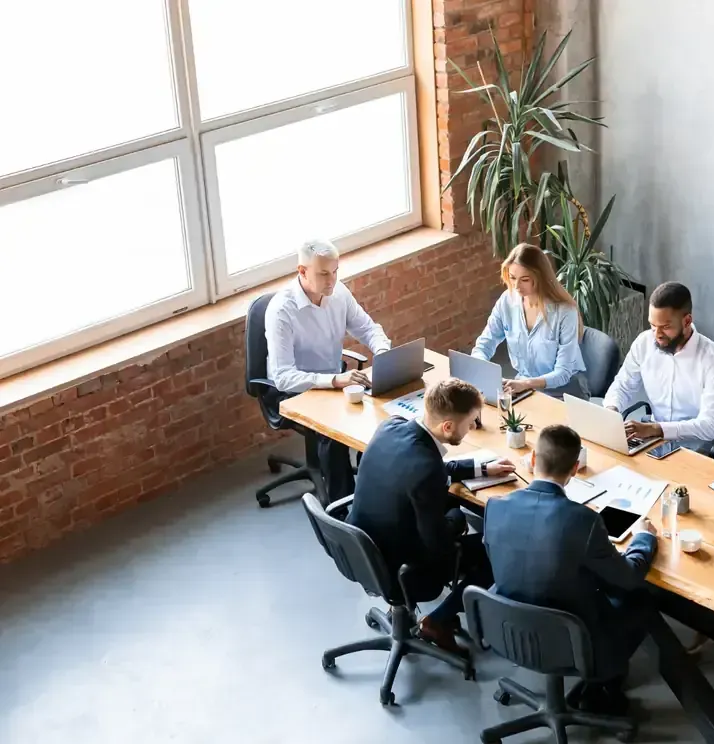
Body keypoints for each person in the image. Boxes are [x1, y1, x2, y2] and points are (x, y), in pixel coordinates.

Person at [483, 424, 658, 715]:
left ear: (533, 459)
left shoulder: (495, 507)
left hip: (507, 629)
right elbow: (627, 577)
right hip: (569, 641)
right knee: (642, 599)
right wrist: (644, 538)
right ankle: (603, 684)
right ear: (576, 468)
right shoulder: (584, 521)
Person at [348, 379, 516, 653]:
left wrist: (481, 468)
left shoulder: (392, 426)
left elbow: (431, 464)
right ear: (448, 426)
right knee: (495, 551)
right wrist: (457, 519)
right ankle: (437, 620)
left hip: (363, 549)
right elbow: (438, 547)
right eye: (471, 421)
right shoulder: (427, 469)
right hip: (399, 568)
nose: (473, 427)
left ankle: (420, 615)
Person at [265, 238, 389, 501]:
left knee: (383, 416)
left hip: (336, 379)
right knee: (333, 434)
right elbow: (283, 377)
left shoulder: (338, 293)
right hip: (293, 391)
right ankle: (342, 507)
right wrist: (334, 380)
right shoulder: (281, 311)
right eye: (323, 273)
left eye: (335, 271)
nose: (331, 280)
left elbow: (368, 328)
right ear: (302, 271)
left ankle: (377, 495)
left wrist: (382, 352)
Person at [603, 282, 714, 449]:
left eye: (665, 327)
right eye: (653, 325)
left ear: (687, 321)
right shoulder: (644, 343)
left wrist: (657, 429)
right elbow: (622, 386)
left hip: (698, 443)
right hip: (653, 438)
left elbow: (710, 426)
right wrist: (612, 410)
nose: (657, 334)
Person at [472, 243, 589, 399]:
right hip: (525, 386)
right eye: (512, 278)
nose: (516, 286)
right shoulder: (507, 300)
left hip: (564, 390)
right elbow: (484, 344)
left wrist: (526, 384)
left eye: (525, 280)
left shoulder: (565, 312)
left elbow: (563, 373)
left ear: (540, 277)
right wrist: (483, 370)